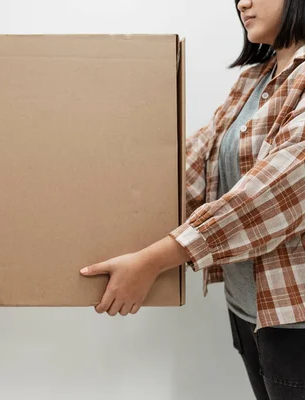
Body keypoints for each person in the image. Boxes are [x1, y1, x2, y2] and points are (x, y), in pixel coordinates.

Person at [81, 0, 305, 399]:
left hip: (296, 323)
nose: (242, 3)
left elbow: (267, 198)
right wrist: (104, 182)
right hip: (249, 310)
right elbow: (198, 161)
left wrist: (152, 260)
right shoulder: (255, 79)